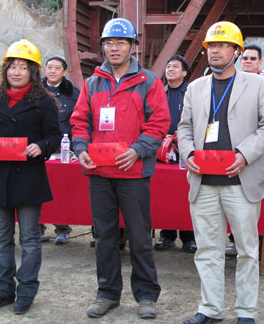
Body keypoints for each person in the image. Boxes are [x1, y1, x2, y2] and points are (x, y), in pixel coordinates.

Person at [177, 21, 264, 324]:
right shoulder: (195, 88)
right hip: (203, 181)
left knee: (247, 250)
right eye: (211, 46)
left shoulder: (257, 84)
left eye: (222, 45)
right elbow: (184, 128)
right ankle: (210, 308)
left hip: (240, 181)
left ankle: (246, 311)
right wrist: (188, 153)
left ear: (236, 51)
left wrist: (245, 154)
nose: (215, 51)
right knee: (208, 249)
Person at [70, 18, 170, 320]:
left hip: (133, 174)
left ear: (133, 47)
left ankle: (146, 295)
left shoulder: (149, 82)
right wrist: (80, 149)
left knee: (139, 237)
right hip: (99, 174)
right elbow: (79, 122)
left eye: (121, 43)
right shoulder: (92, 83)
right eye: (109, 43)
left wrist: (137, 150)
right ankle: (107, 293)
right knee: (104, 237)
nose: (114, 48)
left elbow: (159, 124)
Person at [0, 39, 61, 314]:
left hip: (28, 178)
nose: (17, 72)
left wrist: (41, 147)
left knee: (30, 238)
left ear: (32, 72)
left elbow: (54, 136)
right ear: (5, 70)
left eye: (23, 67)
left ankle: (27, 290)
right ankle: (3, 289)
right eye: (12, 66)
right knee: (1, 237)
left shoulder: (44, 102)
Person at [223, 44, 264, 258]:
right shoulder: (230, 82)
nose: (248, 61)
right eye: (245, 58)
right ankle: (234, 240)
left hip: (260, 150)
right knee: (232, 197)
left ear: (260, 62)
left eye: (252, 58)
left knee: (254, 198)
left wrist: (252, 122)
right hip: (231, 151)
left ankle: (257, 243)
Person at [154, 54, 197, 253]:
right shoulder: (159, 92)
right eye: (168, 66)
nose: (170, 69)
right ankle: (166, 235)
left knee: (186, 193)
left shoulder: (192, 92)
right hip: (163, 150)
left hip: (186, 150)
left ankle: (189, 237)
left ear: (184, 72)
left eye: (175, 67)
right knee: (165, 192)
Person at [40, 56, 80, 245]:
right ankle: (37, 228)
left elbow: (79, 121)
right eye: (49, 67)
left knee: (60, 190)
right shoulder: (35, 90)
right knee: (37, 189)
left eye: (57, 68)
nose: (52, 71)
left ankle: (62, 228)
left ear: (64, 72)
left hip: (63, 150)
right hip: (39, 149)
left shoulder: (73, 93)